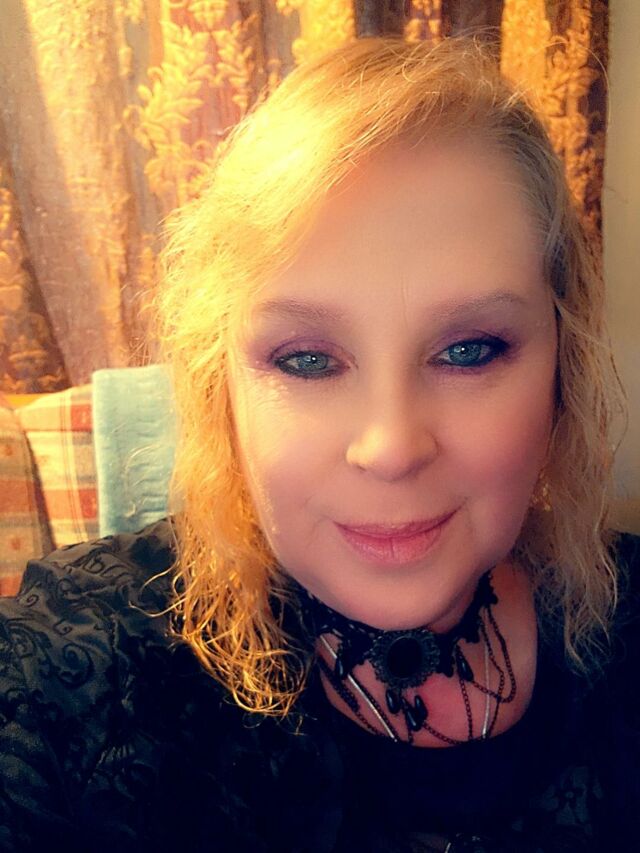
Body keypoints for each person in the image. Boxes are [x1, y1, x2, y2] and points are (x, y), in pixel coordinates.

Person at [0, 35, 638, 853]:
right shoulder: (77, 672)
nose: (391, 447)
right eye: (306, 360)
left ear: (561, 369)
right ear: (222, 384)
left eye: (468, 349)